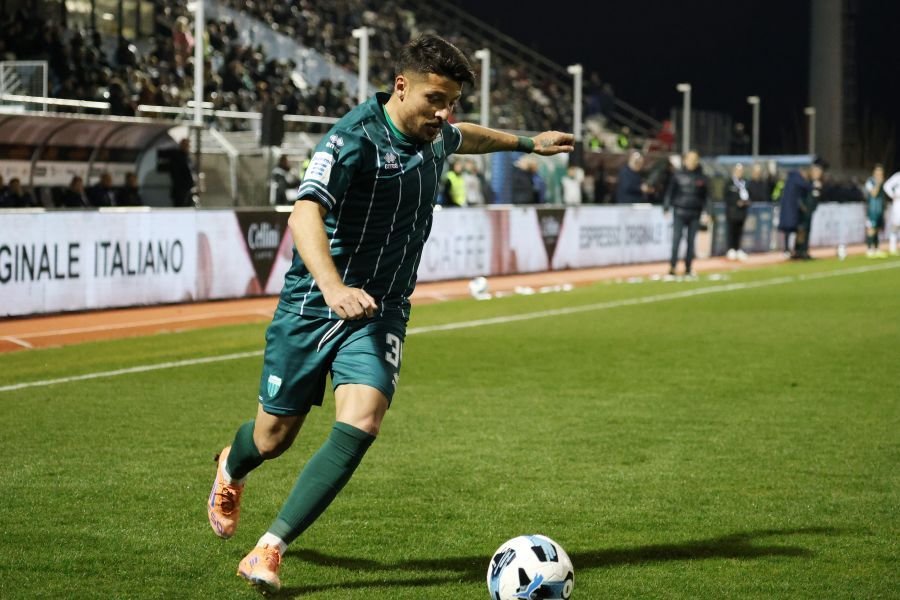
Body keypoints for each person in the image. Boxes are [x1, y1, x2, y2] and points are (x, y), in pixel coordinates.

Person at [206, 33, 573, 593]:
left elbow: (467, 137)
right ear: (401, 87)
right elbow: (303, 214)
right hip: (313, 305)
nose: (444, 113)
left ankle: (268, 549)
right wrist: (333, 286)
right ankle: (232, 465)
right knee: (273, 437)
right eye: (434, 100)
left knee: (363, 419)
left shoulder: (435, 134)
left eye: (451, 102)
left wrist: (527, 142)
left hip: (381, 310)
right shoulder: (351, 140)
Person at [664, 150, 709, 277]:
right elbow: (670, 192)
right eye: (690, 159)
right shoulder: (677, 175)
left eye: (694, 160)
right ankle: (672, 267)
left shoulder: (702, 177)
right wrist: (666, 207)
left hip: (695, 212)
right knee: (676, 240)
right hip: (679, 211)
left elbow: (707, 197)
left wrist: (708, 212)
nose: (692, 162)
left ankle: (688, 267)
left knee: (691, 242)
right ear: (685, 161)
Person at [793, 159, 826, 260]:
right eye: (816, 172)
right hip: (804, 210)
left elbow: (818, 197)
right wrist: (802, 206)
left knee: (806, 230)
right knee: (801, 230)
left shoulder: (818, 184)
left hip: (810, 210)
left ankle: (804, 250)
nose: (817, 174)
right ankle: (799, 250)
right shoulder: (807, 182)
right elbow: (801, 195)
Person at [724, 163, 751, 260]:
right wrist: (736, 202)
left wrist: (747, 202)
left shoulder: (745, 183)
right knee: (731, 231)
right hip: (732, 211)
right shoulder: (729, 182)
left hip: (742, 212)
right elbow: (726, 197)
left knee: (740, 231)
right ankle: (730, 249)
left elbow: (750, 194)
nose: (740, 173)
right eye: (738, 171)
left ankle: (738, 248)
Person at [863, 164, 887, 257]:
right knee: (871, 228)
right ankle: (869, 249)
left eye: (881, 173)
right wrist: (878, 183)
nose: (880, 174)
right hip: (872, 210)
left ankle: (876, 249)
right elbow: (873, 194)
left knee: (877, 229)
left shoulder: (882, 182)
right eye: (878, 172)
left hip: (879, 210)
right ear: (874, 173)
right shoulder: (870, 182)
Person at [170, 137, 196, 207]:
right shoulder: (177, 157)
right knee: (180, 207)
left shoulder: (188, 157)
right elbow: (176, 174)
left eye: (188, 145)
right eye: (186, 145)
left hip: (189, 189)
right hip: (180, 190)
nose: (188, 147)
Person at [883, 169, 900, 255]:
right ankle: (892, 247)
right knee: (896, 225)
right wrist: (893, 195)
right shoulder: (898, 176)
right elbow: (886, 186)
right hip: (898, 204)